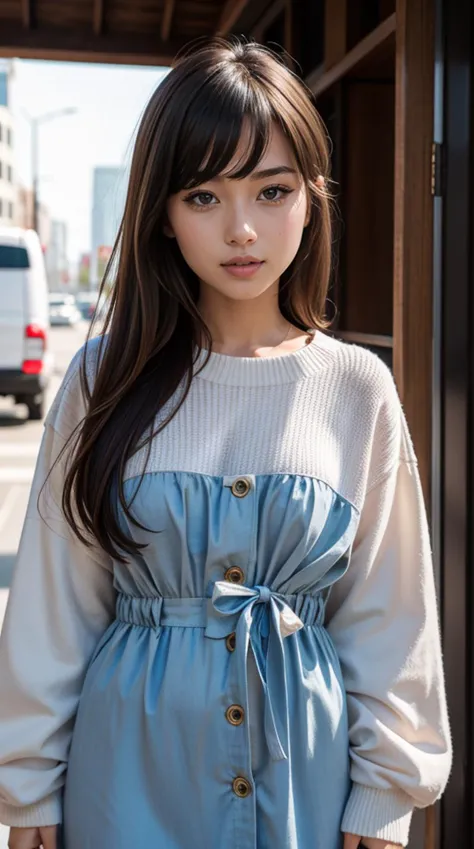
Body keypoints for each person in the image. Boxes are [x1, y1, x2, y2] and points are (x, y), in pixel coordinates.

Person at [0, 37, 451, 849]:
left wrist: (387, 795)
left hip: (306, 780)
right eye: (203, 197)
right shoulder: (104, 379)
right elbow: (55, 599)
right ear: (163, 217)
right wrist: (26, 782)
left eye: (271, 190)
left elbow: (391, 616)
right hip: (124, 773)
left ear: (312, 197)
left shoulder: (356, 387)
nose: (241, 229)